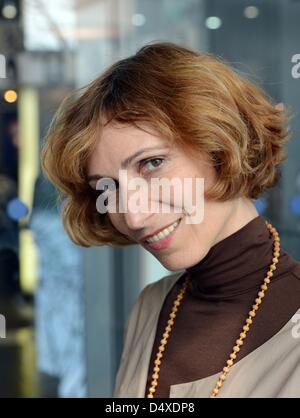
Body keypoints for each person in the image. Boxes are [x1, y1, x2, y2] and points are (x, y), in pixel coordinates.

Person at [40, 41, 300, 398]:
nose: (133, 215)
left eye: (151, 164)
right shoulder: (151, 306)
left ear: (219, 145)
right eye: (108, 187)